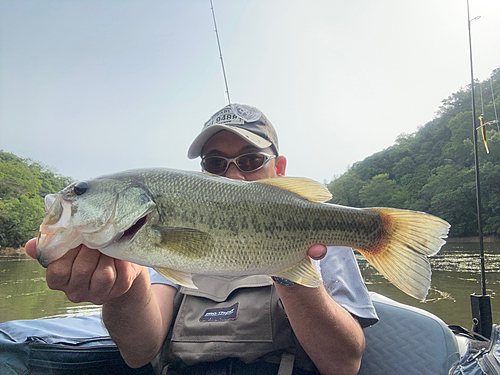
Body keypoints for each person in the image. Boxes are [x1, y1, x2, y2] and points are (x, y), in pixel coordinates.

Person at [25, 103, 378, 375]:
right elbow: (139, 353)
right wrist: (125, 289)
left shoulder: (322, 234)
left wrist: (291, 270)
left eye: (252, 160)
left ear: (280, 168)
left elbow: (344, 364)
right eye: (215, 163)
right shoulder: (146, 243)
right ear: (203, 172)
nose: (235, 175)